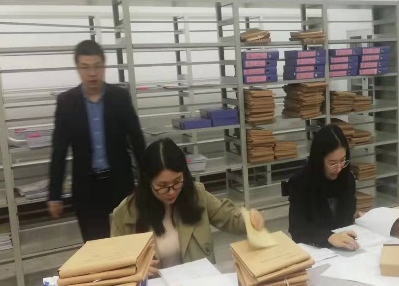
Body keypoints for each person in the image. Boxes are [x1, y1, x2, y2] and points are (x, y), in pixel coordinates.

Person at [111, 138, 265, 270]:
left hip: (198, 285)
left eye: (177, 181)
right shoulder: (125, 215)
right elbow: (113, 264)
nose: (171, 191)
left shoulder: (196, 195)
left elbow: (228, 217)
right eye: (162, 186)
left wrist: (248, 219)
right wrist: (134, 268)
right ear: (146, 181)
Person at [48, 39, 145, 241]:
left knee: (131, 244)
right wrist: (55, 195)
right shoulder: (66, 102)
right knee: (97, 249)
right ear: (78, 68)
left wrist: (148, 182)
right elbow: (59, 151)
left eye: (97, 66)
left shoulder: (120, 97)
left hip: (120, 183)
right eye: (85, 67)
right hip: (86, 189)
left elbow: (137, 141)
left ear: (104, 66)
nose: (92, 73)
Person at [288, 124, 360, 250]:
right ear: (319, 160)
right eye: (332, 163)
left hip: (344, 249)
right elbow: (297, 229)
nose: (339, 168)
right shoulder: (300, 182)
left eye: (343, 160)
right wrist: (328, 237)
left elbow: (345, 219)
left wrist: (356, 217)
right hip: (316, 249)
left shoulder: (347, 178)